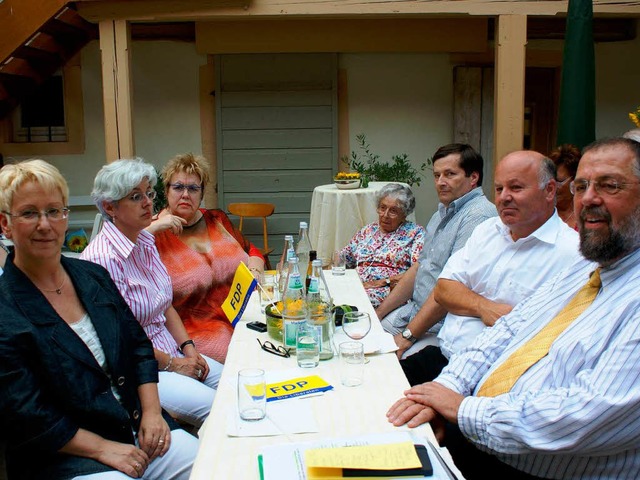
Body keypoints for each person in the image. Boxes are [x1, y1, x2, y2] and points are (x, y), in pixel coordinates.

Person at [387, 137, 640, 480]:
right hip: (476, 422)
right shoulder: (585, 268)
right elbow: (505, 331)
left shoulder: (583, 261)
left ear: (550, 192)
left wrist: (462, 411)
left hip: (536, 465)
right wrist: (443, 392)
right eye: (581, 186)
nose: (589, 199)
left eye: (610, 185)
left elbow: (590, 411)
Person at [0, 159, 197, 480]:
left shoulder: (92, 277)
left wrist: (151, 413)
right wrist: (103, 449)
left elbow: (137, 346)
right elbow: (26, 414)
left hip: (134, 424)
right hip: (67, 454)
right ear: (5, 224)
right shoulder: (6, 308)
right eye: (29, 213)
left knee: (211, 464)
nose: (45, 224)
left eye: (54, 210)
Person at [401, 150, 581, 385]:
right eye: (499, 189)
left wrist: (465, 297)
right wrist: (484, 307)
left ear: (549, 191)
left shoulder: (571, 254)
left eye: (516, 188)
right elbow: (444, 290)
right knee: (369, 385)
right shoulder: (487, 231)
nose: (504, 197)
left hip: (493, 380)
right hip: (442, 356)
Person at [82, 159, 223, 428]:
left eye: (149, 193)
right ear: (110, 207)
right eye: (136, 196)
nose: (148, 202)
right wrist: (176, 364)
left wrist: (189, 350)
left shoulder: (144, 240)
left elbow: (165, 306)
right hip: (143, 370)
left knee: (236, 386)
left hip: (173, 351)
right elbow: (122, 340)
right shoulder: (102, 260)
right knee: (218, 411)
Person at [376, 144, 497, 359]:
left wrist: (407, 336)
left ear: (473, 178)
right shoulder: (442, 212)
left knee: (388, 366)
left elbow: (453, 288)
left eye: (450, 174)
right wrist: (379, 313)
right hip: (413, 312)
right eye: (437, 175)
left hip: (440, 327)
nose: (440, 182)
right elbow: (420, 267)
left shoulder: (478, 216)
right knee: (363, 339)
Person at [149, 153, 265, 363]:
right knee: (245, 364)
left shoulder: (216, 219)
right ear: (166, 191)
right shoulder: (153, 235)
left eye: (193, 188)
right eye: (178, 187)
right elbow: (120, 255)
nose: (186, 194)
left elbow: (252, 251)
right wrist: (153, 228)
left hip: (244, 318)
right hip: (196, 334)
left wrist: (255, 270)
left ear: (201, 194)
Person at [340, 183, 425, 307]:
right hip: (357, 285)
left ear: (404, 214)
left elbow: (418, 271)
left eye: (393, 211)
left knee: (354, 302)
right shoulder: (368, 230)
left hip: (386, 291)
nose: (385, 215)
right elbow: (344, 258)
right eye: (382, 208)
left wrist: (382, 282)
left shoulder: (415, 233)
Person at [549, 144, 581, 229]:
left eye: (559, 181)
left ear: (575, 183)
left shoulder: (586, 216)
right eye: (549, 181)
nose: (552, 187)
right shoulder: (541, 214)